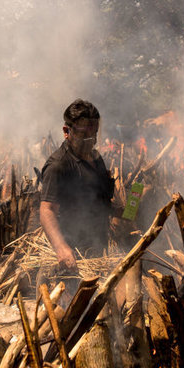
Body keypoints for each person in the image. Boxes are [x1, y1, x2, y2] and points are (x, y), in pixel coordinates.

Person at [39, 99, 115, 278]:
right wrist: (62, 249)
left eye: (94, 133)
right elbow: (46, 210)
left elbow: (99, 202)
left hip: (98, 250)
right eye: (83, 135)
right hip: (75, 257)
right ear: (67, 131)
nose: (91, 141)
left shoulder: (96, 159)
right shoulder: (59, 165)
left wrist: (125, 213)